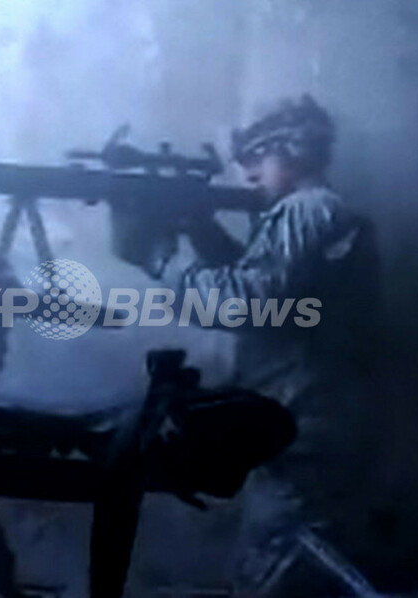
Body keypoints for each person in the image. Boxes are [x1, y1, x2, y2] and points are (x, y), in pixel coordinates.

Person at [122, 94, 380, 594]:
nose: (247, 173)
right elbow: (271, 293)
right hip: (314, 417)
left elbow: (245, 303)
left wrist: (161, 260)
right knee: (292, 562)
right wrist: (202, 231)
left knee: (275, 571)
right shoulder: (318, 214)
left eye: (258, 155)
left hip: (303, 422)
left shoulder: (306, 210)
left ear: (295, 150)